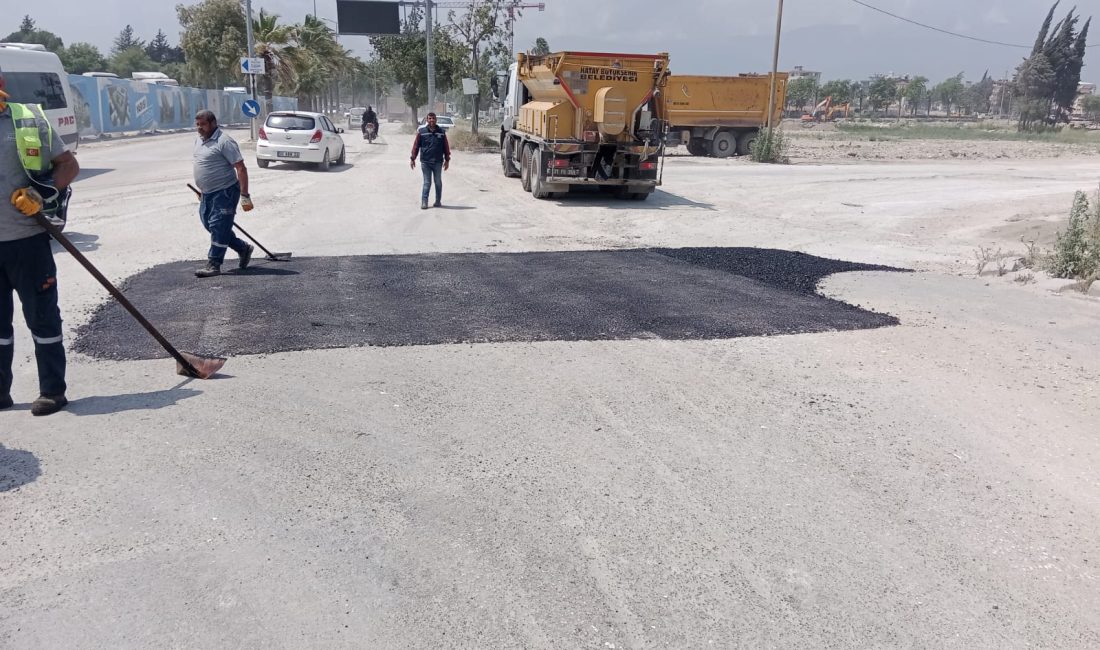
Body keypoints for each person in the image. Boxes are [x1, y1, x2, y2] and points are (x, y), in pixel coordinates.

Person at [0, 72, 81, 416]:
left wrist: (40, 192)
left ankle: (52, 391)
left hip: (27, 241)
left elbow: (69, 165)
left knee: (42, 319)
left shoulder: (27, 120)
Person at [192, 110, 253, 278]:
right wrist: (203, 189)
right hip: (207, 194)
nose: (199, 128)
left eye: (203, 124)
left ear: (213, 123)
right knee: (210, 225)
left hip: (225, 192)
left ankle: (214, 264)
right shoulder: (199, 140)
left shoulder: (224, 141)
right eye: (197, 124)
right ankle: (243, 248)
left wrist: (245, 195)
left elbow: (241, 168)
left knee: (219, 227)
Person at [410, 112, 451, 209]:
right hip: (426, 162)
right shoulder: (422, 132)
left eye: (433, 118)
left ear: (436, 120)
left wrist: (447, 160)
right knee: (427, 182)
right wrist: (413, 158)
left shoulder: (441, 132)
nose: (431, 120)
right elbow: (416, 146)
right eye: (429, 118)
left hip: (438, 162)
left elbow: (446, 147)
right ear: (427, 120)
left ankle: (438, 201)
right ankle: (424, 202)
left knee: (438, 182)